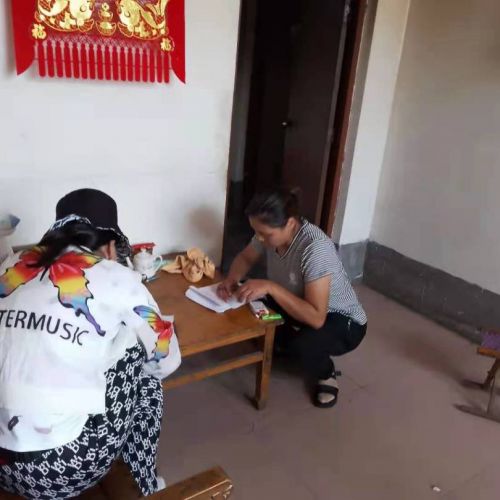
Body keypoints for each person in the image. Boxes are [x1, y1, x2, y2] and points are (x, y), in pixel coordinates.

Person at [0, 189, 181, 499]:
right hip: (59, 471)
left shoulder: (11, 264)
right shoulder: (115, 276)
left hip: (2, 465)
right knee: (143, 366)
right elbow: (168, 360)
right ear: (110, 247)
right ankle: (145, 484)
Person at [218, 188, 366, 409]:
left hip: (340, 319)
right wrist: (232, 279)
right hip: (297, 301)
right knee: (247, 298)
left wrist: (270, 287)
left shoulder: (315, 249)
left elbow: (316, 318)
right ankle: (284, 343)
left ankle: (325, 372)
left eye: (265, 234)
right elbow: (246, 257)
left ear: (289, 223)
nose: (260, 238)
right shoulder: (267, 234)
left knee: (304, 345)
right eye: (256, 232)